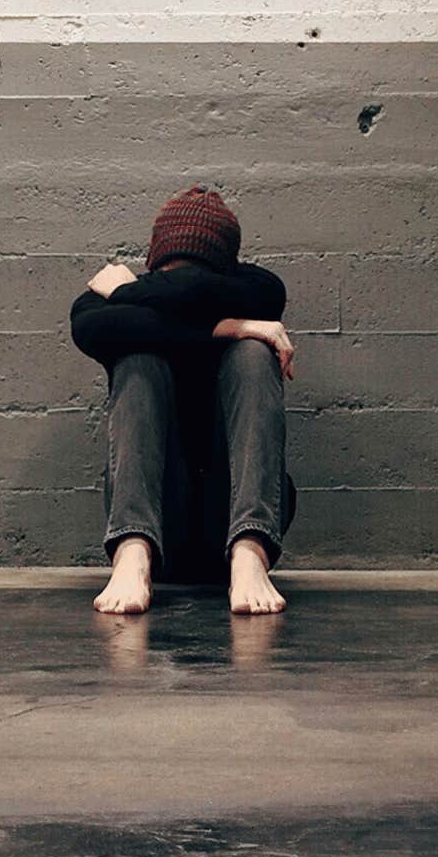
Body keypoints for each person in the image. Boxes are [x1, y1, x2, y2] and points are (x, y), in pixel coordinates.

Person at [69, 185, 298, 616]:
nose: (181, 279)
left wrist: (130, 290)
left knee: (253, 352)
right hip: (158, 523)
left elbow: (199, 290)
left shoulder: (257, 288)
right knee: (137, 355)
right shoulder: (102, 308)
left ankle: (251, 552)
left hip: (230, 517)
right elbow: (90, 329)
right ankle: (131, 552)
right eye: (168, 271)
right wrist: (226, 326)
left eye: (194, 270)